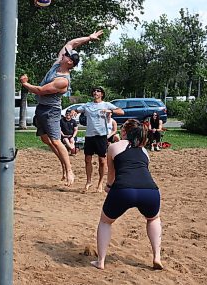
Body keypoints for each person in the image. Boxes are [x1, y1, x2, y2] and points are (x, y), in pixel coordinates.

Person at [20, 30, 103, 187]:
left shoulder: (62, 81)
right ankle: (64, 166)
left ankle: (69, 170)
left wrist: (25, 84)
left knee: (56, 141)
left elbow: (40, 90)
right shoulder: (58, 63)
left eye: (66, 55)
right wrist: (89, 39)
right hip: (41, 108)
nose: (63, 54)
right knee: (46, 139)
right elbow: (71, 43)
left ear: (70, 62)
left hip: (51, 111)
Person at [91, 119, 162, 270]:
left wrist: (109, 187)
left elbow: (112, 175)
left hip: (124, 189)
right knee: (153, 219)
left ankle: (101, 261)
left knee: (105, 222)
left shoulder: (114, 147)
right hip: (150, 190)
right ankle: (156, 256)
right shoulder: (144, 151)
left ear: (124, 132)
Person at [71, 86, 124, 192]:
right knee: (87, 160)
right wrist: (73, 111)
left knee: (102, 160)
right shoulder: (87, 105)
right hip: (90, 135)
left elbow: (121, 112)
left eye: (98, 91)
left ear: (102, 94)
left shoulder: (106, 104)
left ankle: (100, 183)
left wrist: (109, 111)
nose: (96, 92)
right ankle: (88, 181)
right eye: (94, 91)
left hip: (101, 135)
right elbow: (76, 110)